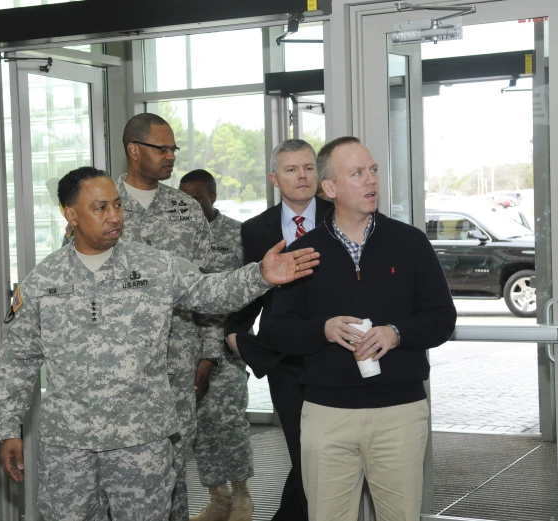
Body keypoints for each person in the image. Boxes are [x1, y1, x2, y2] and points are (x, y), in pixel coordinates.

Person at [0, 167, 319, 521]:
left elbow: (210, 293)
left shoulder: (155, 266)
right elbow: (18, 359)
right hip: (69, 448)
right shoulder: (43, 281)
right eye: (101, 208)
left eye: (117, 205)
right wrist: (9, 428)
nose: (115, 216)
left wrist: (260, 276)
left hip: (142, 442)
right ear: (70, 214)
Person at [267, 137, 456, 521]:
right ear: (330, 188)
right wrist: (324, 329)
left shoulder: (411, 243)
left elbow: (442, 317)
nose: (371, 180)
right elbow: (276, 330)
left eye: (373, 171)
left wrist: (396, 333)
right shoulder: (304, 252)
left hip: (399, 413)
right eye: (357, 173)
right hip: (327, 415)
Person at [115, 113, 220, 521]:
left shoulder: (186, 209)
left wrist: (209, 351)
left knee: (176, 471)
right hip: (119, 369)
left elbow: (209, 284)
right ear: (134, 150)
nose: (171, 156)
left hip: (178, 364)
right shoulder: (103, 205)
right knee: (125, 476)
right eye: (162, 148)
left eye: (173, 148)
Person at [225, 139, 333, 521]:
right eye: (291, 169)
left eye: (308, 168)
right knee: (302, 450)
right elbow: (252, 290)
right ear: (274, 178)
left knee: (325, 456)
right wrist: (235, 335)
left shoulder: (342, 215)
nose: (302, 176)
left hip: (335, 350)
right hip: (285, 358)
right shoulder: (256, 229)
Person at [179, 170, 254, 521]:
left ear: (212, 195)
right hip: (185, 347)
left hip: (226, 348)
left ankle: (242, 496)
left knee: (229, 421)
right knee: (199, 426)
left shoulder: (238, 234)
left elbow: (252, 289)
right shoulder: (178, 236)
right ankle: (218, 497)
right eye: (183, 198)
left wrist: (241, 333)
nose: (190, 205)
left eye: (196, 198)